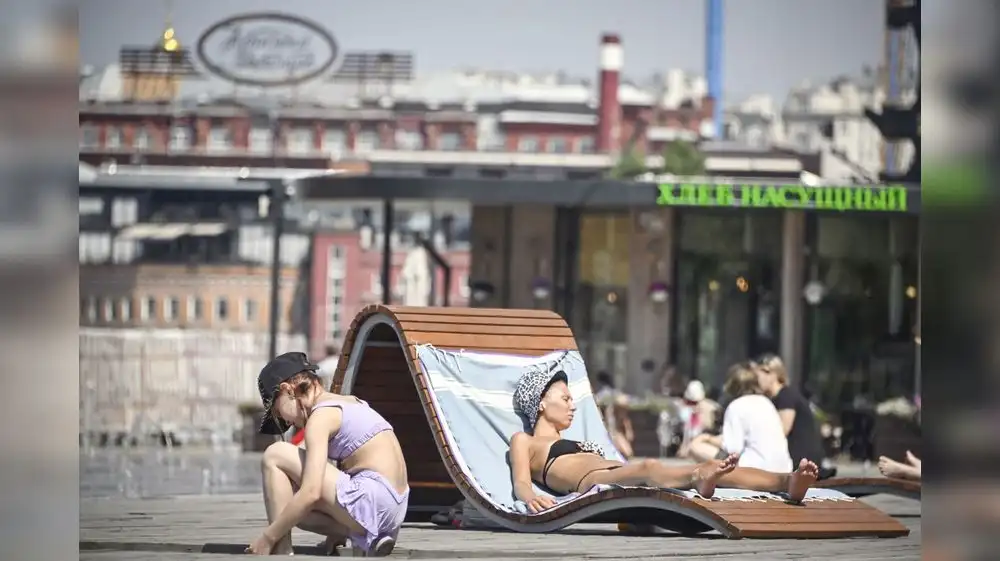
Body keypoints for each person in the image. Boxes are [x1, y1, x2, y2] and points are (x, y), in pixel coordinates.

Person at [508, 368, 819, 513]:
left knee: (713, 463)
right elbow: (521, 481)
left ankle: (785, 481)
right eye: (565, 397)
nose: (572, 404)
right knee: (652, 465)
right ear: (541, 403)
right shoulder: (525, 440)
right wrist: (528, 497)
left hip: (617, 472)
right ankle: (699, 478)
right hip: (595, 482)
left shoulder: (575, 437)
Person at [245, 352, 408, 556]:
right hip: (394, 510)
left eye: (278, 413)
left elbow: (311, 492)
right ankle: (360, 535)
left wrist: (267, 538)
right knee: (292, 505)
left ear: (288, 390)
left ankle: (280, 549)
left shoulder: (320, 418)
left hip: (373, 499)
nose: (286, 424)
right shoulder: (350, 402)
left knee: (275, 454)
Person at [685, 363, 793, 473]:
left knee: (695, 447)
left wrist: (707, 439)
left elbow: (732, 448)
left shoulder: (735, 406)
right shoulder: (766, 402)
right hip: (784, 469)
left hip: (755, 470)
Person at [752, 353, 832, 478]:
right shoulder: (775, 398)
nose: (756, 381)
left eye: (758, 376)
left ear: (772, 374)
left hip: (802, 461)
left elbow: (783, 430)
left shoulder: (786, 396)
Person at [605, 393, 635, 459]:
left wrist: (628, 431)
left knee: (628, 453)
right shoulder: (611, 412)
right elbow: (611, 428)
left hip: (618, 432)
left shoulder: (623, 413)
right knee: (625, 452)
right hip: (613, 433)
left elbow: (626, 422)